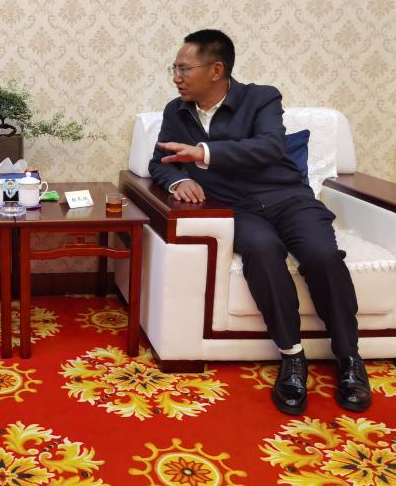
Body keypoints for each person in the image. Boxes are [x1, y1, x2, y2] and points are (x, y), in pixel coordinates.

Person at [149, 29, 371, 416]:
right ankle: (292, 356)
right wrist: (178, 180)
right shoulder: (176, 111)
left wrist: (203, 153)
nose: (176, 77)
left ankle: (349, 357)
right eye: (175, 69)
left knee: (321, 255)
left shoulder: (262, 98)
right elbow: (160, 163)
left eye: (184, 69)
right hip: (238, 209)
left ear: (216, 70)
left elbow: (269, 146)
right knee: (262, 251)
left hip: (288, 198)